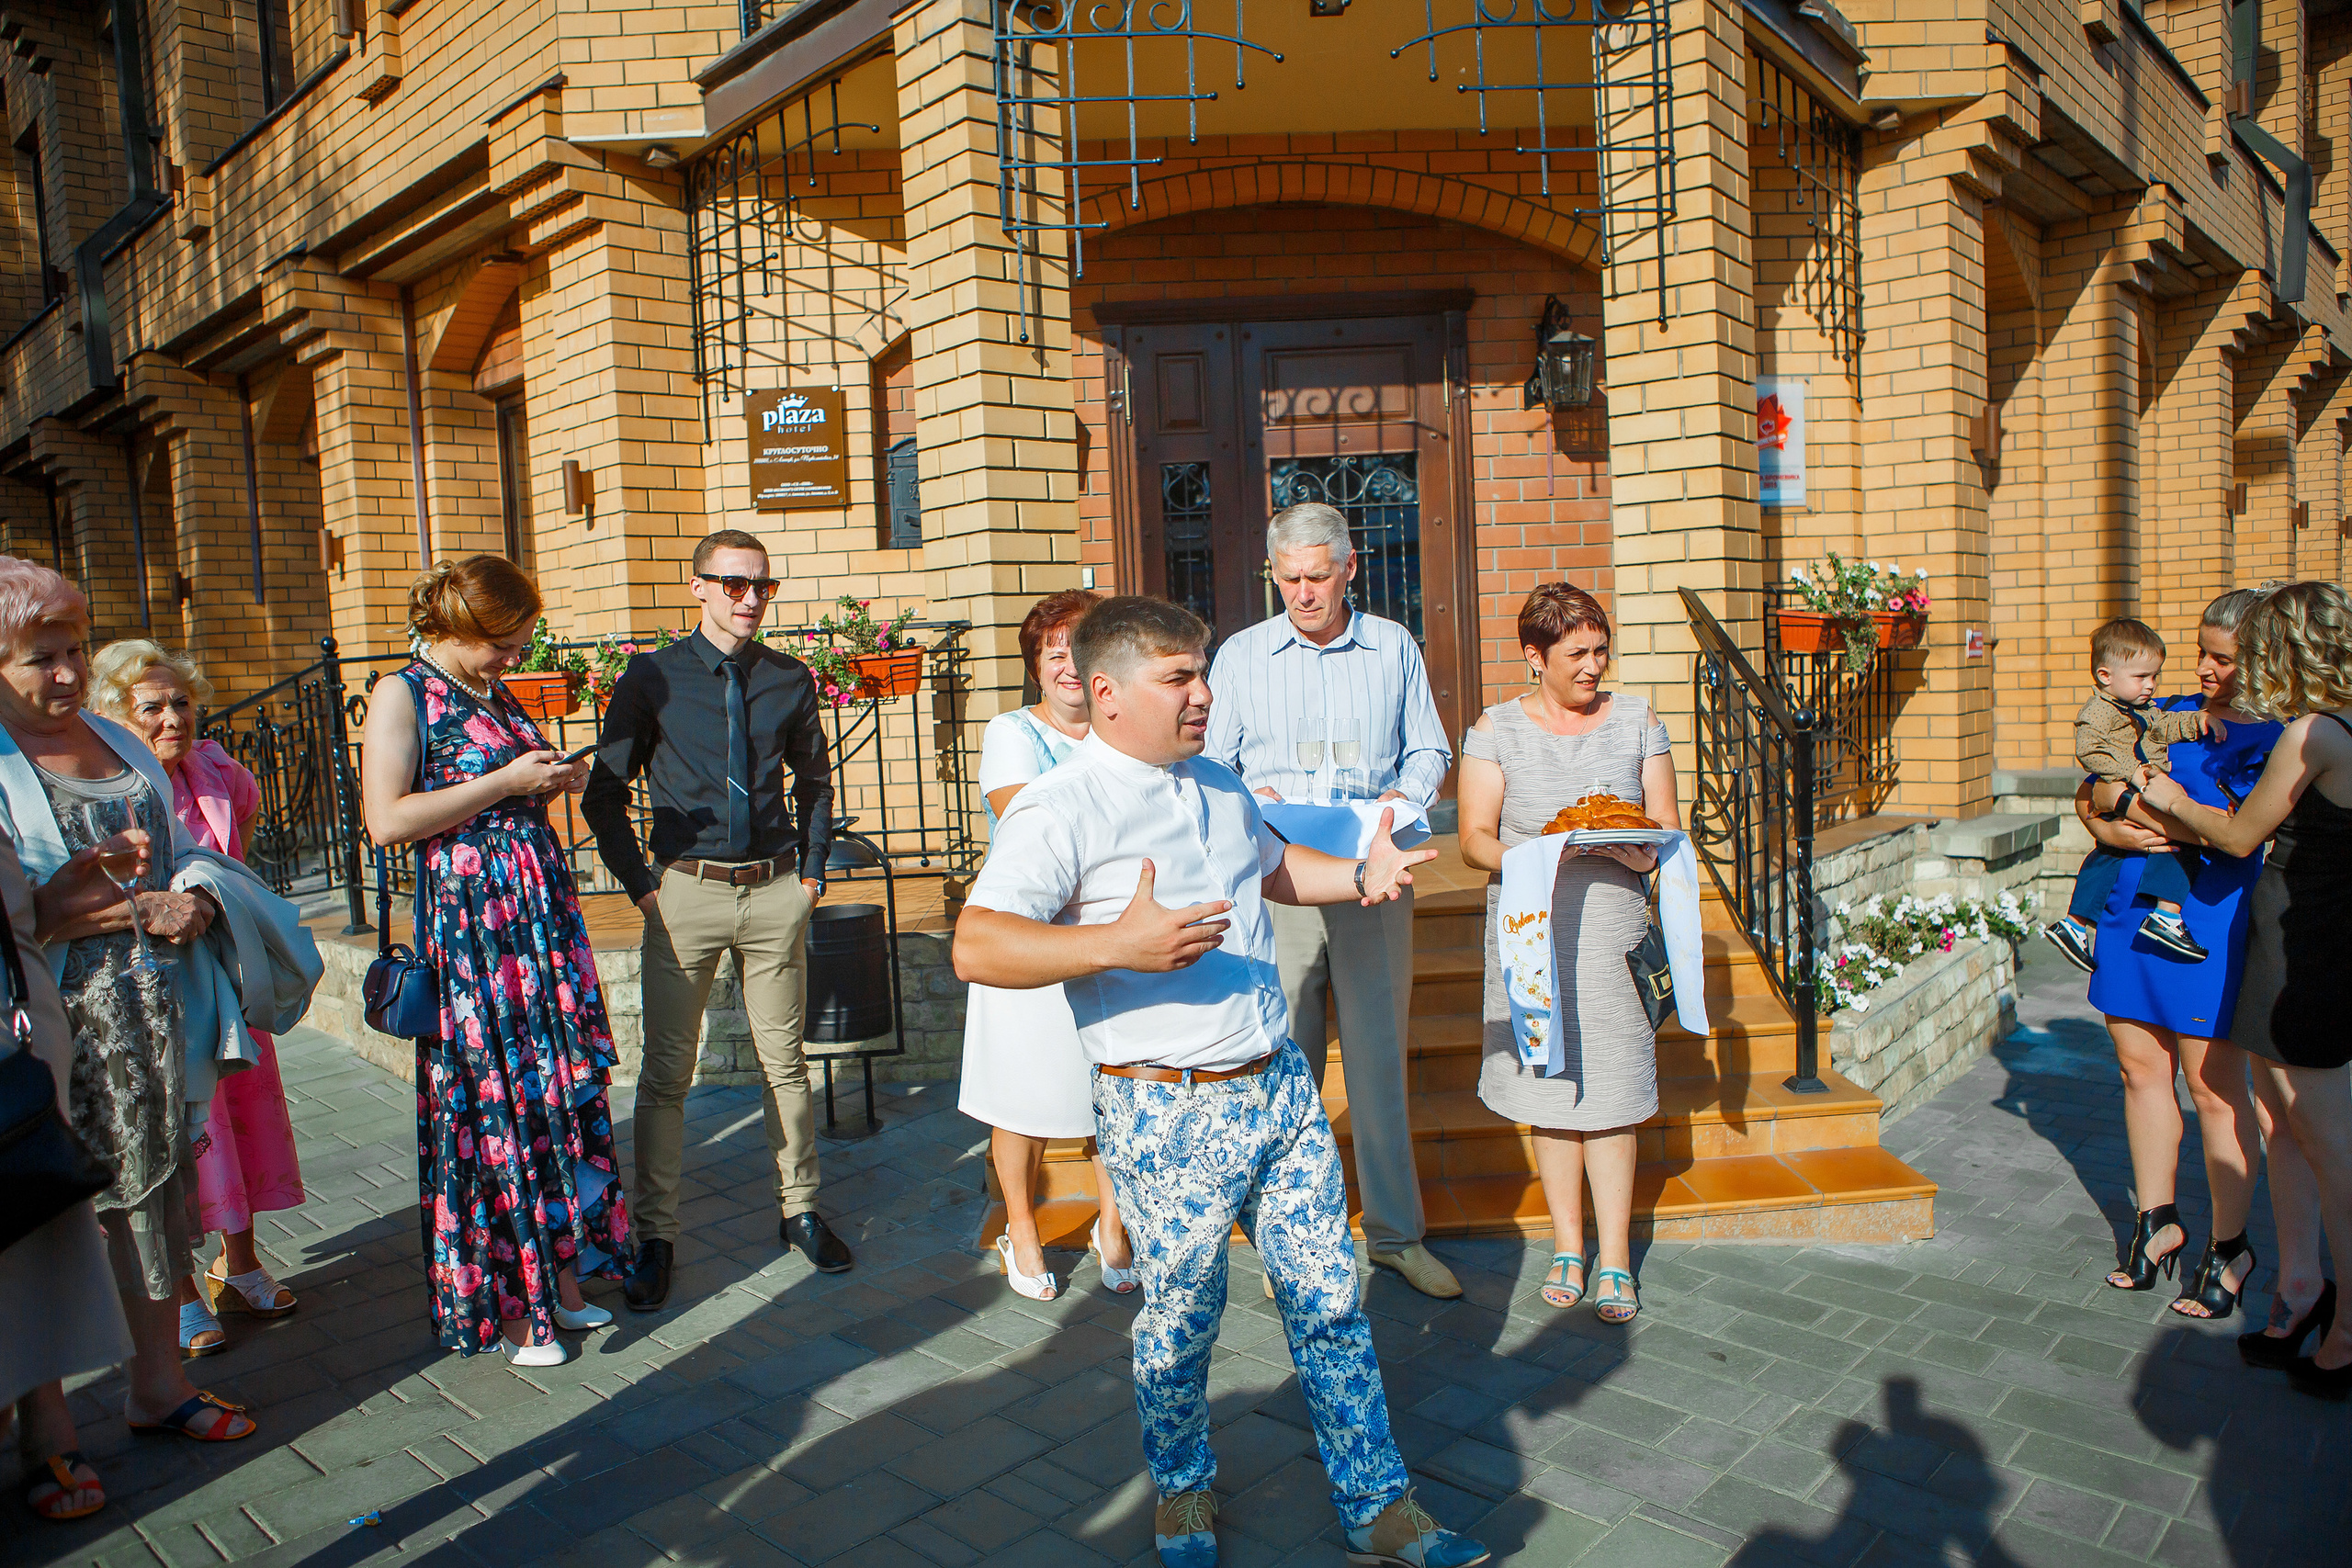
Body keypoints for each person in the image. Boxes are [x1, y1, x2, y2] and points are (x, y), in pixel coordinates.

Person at [954, 595, 1489, 1568]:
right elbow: (976, 944)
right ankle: (1182, 1490)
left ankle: (1379, 1506)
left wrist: (1358, 874)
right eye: (1180, 678)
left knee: (1329, 1298)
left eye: (1203, 671)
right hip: (1164, 1104)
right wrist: (1117, 942)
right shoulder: (1059, 805)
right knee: (1181, 1322)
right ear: (1107, 693)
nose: (1206, 694)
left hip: (1277, 1083)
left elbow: (1277, 869)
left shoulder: (1215, 781)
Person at [0, 556, 255, 1444]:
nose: (68, 672)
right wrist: (48, 910)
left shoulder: (118, 739)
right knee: (41, 1208)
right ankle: (49, 1428)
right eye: (41, 657)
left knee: (154, 1196)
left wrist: (195, 895)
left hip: (151, 1012)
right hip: (37, 1031)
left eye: (74, 648)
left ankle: (159, 1384)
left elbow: (186, 846)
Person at [359, 556, 631, 1366]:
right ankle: (515, 1308)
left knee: (547, 1090)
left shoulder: (485, 689)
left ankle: (562, 1281)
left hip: (534, 928)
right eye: (503, 644)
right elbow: (387, 819)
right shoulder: (400, 692)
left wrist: (546, 781)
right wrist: (505, 780)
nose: (515, 657)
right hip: (477, 935)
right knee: (497, 1104)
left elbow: (498, 785)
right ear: (459, 627)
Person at [583, 528, 849, 1311]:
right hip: (684, 896)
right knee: (667, 1073)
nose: (749, 599)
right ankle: (655, 1234)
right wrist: (643, 888)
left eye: (761, 585)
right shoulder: (650, 679)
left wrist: (811, 873)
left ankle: (799, 1208)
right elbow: (605, 791)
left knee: (786, 1062)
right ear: (696, 586)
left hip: (774, 893)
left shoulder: (790, 678)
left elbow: (815, 782)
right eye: (732, 583)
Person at [1203, 502, 1459, 1301]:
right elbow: (1210, 763)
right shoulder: (1243, 655)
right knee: (1289, 1065)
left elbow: (1430, 746)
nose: (1305, 592)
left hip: (1376, 874)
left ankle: (1394, 1235)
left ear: (1350, 569)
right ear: (1272, 575)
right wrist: (1251, 792)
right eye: (1290, 579)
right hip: (1281, 878)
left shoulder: (1392, 646)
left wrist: (1398, 797)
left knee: (1379, 1060)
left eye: (1319, 576)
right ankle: (1297, 1243)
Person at [2137, 580, 2352, 1394]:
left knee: (2329, 1145)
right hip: (2291, 949)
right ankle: (2299, 1287)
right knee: (2284, 1127)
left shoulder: (2313, 731)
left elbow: (2235, 830)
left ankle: (2347, 1327)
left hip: (2308, 960)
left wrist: (2166, 797)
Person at [1455, 582, 1679, 1325]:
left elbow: (1666, 831)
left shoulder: (1639, 720)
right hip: (1529, 930)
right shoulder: (1494, 730)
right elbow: (1474, 837)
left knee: (1612, 1096)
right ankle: (1567, 1246)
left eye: (1600, 649)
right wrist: (1542, 850)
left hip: (1612, 930)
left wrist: (1627, 846)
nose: (1593, 665)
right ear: (1534, 657)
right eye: (1577, 653)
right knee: (1550, 1093)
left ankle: (1614, 1256)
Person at [90, 639, 304, 1354]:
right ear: (119, 714)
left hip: (225, 979)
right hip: (154, 988)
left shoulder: (224, 774)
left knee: (242, 1121)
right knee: (182, 1135)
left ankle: (239, 1264)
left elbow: (230, 862)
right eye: (152, 706)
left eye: (180, 701)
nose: (171, 716)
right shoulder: (112, 782)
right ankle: (179, 1288)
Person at [2070, 591, 2277, 1319]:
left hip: (2207, 921)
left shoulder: (2279, 738)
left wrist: (2127, 804)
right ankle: (2157, 1222)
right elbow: (2089, 786)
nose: (2205, 668)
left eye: (2223, 657)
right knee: (2138, 1068)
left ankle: (2230, 1245)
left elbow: (2235, 832)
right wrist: (2113, 818)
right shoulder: (2165, 706)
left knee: (2213, 1085)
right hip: (2133, 908)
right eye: (2202, 651)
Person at [957, 589, 1137, 1300]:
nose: (1066, 663)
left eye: (1078, 647)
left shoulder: (1120, 729)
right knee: (1022, 1096)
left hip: (1105, 934)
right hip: (1026, 939)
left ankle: (1113, 1225)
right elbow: (1030, 818)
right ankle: (1023, 1228)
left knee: (1110, 1088)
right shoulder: (1011, 732)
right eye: (1052, 650)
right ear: (1035, 664)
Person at [4, 822, 154, 1521]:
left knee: (25, 1223)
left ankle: (43, 1420)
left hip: (13, 1035)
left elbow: (16, 913)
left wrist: (54, 899)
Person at [2045, 617, 2222, 968]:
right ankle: (2167, 915)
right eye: (2141, 677)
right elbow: (2089, 752)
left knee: (2108, 855)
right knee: (2174, 843)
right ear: (2105, 676)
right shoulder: (2098, 710)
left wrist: (2197, 721)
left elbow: (2165, 724)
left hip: (2124, 795)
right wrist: (2133, 773)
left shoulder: (2141, 709)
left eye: (2155, 676)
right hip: (2127, 788)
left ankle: (2074, 924)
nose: (2151, 685)